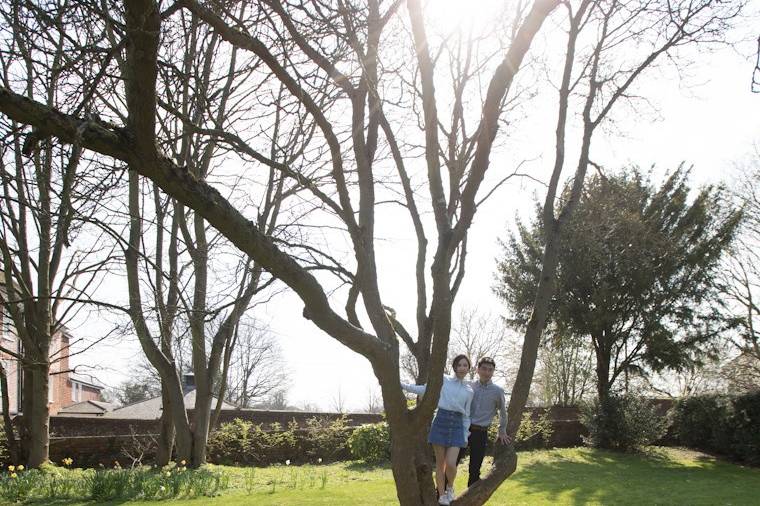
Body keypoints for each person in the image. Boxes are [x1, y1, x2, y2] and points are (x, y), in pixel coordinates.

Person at [402, 354, 474, 506]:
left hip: (457, 425)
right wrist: (402, 385)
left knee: (451, 463)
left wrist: (465, 433)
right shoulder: (444, 380)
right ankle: (441, 496)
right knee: (440, 464)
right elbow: (425, 390)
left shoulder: (469, 390)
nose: (462, 368)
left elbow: (467, 414)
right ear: (455, 367)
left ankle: (450, 488)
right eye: (459, 365)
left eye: (465, 365)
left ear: (468, 368)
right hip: (440, 422)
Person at [459, 356, 511, 487]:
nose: (487, 372)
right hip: (463, 430)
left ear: (493, 372)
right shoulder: (468, 385)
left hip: (480, 433)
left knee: (475, 469)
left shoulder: (497, 391)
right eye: (484, 369)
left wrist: (502, 430)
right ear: (478, 369)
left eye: (490, 370)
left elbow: (503, 413)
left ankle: (470, 499)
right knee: (452, 463)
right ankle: (443, 495)